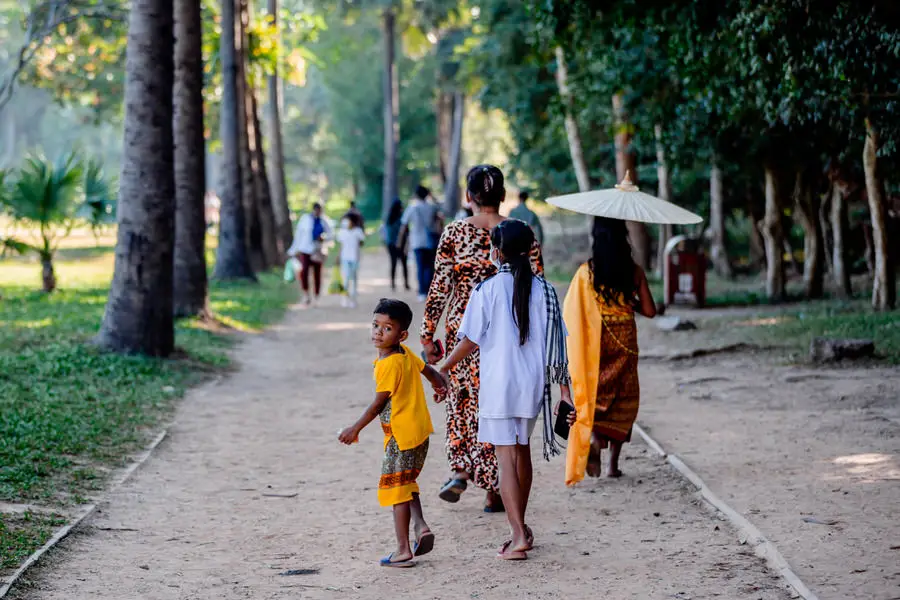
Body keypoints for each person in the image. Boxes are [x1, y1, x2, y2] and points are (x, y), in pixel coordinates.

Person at [439, 220, 572, 560]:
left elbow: (469, 340)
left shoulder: (486, 291)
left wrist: (444, 366)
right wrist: (565, 395)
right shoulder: (548, 292)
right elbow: (558, 349)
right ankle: (521, 526)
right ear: (531, 251)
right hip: (532, 387)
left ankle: (517, 536)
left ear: (496, 253)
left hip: (498, 387)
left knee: (505, 457)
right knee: (521, 451)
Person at [420, 164, 543, 513]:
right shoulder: (521, 232)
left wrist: (427, 335)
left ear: (468, 197)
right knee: (498, 407)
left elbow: (440, 287)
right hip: (508, 334)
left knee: (464, 403)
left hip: (464, 332)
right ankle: (494, 491)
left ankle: (461, 468)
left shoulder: (454, 233)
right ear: (503, 196)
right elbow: (538, 284)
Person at [338, 299, 447, 568]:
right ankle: (421, 527)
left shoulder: (389, 365)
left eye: (387, 328)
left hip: (401, 436)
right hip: (418, 433)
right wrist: (440, 385)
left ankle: (402, 551)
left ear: (401, 334)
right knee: (405, 480)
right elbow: (429, 371)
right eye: (375, 325)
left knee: (397, 490)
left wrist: (355, 429)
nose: (378, 332)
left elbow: (377, 404)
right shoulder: (405, 353)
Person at [563, 217, 657, 483]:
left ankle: (594, 437)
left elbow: (572, 312)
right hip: (625, 340)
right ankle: (613, 465)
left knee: (597, 392)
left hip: (597, 340)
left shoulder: (587, 272)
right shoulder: (634, 271)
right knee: (624, 399)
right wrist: (629, 304)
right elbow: (650, 310)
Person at [287, 202, 333, 305]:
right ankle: (306, 294)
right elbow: (299, 235)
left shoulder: (324, 220)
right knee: (304, 272)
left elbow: (330, 234)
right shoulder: (305, 219)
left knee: (317, 273)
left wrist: (323, 237)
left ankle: (316, 296)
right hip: (305, 250)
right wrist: (293, 250)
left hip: (317, 250)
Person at [401, 186, 441, 302]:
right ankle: (429, 290)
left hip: (417, 240)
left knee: (420, 266)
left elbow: (404, 224)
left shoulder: (412, 208)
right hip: (430, 241)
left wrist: (402, 242)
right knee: (429, 266)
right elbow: (439, 216)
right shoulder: (431, 207)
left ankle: (421, 292)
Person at [336, 213, 366, 308]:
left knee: (353, 278)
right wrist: (338, 256)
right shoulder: (342, 232)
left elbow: (361, 242)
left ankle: (353, 298)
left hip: (355, 258)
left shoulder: (357, 231)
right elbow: (341, 245)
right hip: (345, 258)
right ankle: (345, 297)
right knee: (346, 278)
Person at [383, 198, 410, 292]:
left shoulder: (389, 218)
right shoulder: (402, 218)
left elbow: (386, 232)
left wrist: (386, 243)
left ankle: (393, 284)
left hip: (391, 244)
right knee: (404, 264)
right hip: (400, 244)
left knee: (393, 264)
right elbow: (406, 232)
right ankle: (406, 283)